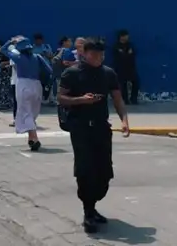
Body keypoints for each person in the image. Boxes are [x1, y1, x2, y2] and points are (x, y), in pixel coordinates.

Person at [58, 38, 130, 234]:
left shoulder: (108, 74)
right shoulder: (72, 73)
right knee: (85, 170)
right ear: (84, 54)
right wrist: (81, 100)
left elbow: (117, 98)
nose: (98, 58)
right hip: (80, 129)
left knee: (104, 172)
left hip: (101, 128)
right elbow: (61, 98)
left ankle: (92, 204)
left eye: (101, 55)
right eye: (94, 55)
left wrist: (124, 120)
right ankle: (88, 211)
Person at [0, 36, 54, 151]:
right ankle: (31, 139)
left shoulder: (18, 57)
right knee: (33, 113)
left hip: (23, 85)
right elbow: (49, 70)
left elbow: (3, 50)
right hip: (37, 85)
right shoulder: (37, 57)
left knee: (25, 111)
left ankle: (35, 138)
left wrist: (10, 41)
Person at [112, 30, 138, 105]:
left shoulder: (130, 45)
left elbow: (133, 54)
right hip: (120, 69)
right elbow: (121, 57)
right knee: (123, 85)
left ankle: (134, 99)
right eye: (125, 35)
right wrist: (127, 54)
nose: (127, 37)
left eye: (127, 35)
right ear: (121, 37)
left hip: (131, 68)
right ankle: (125, 100)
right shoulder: (116, 46)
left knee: (136, 82)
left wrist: (126, 55)